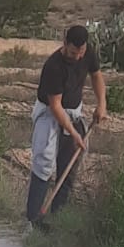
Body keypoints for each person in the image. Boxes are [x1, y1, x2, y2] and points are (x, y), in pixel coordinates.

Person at [27, 25, 107, 228]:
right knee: (44, 162)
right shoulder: (54, 66)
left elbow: (97, 76)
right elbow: (55, 106)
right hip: (49, 113)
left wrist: (101, 105)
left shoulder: (87, 53)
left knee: (68, 166)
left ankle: (57, 221)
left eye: (80, 52)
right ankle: (34, 220)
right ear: (65, 44)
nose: (78, 57)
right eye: (73, 53)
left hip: (74, 112)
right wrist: (73, 133)